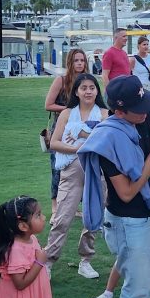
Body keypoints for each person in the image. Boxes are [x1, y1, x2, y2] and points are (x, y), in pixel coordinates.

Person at [78, 75, 150, 298]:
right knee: (137, 286)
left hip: (149, 212)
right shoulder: (107, 140)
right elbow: (127, 193)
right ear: (118, 111)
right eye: (137, 108)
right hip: (128, 220)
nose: (144, 112)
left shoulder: (140, 119)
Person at [44, 73, 107, 279]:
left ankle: (86, 261)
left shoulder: (105, 113)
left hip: (97, 172)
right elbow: (54, 143)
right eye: (84, 88)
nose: (88, 91)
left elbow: (107, 142)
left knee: (93, 217)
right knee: (62, 217)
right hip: (72, 171)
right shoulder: (67, 113)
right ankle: (48, 262)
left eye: (92, 87)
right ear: (76, 92)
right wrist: (81, 147)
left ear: (97, 90)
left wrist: (82, 136)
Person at [44, 49, 89, 202]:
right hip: (61, 128)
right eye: (76, 60)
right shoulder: (61, 80)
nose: (79, 63)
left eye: (82, 60)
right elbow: (48, 105)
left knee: (79, 166)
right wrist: (68, 110)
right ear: (70, 62)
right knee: (58, 166)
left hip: (81, 129)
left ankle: (74, 203)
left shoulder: (87, 82)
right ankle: (55, 206)